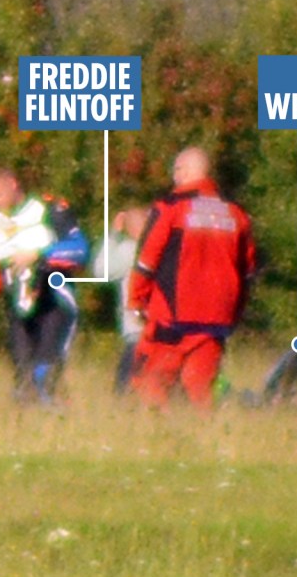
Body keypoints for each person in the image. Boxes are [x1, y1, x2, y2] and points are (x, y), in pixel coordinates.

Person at [127, 147, 255, 413]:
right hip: (217, 319)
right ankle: (205, 441)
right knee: (201, 386)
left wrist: (136, 300)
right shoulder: (236, 213)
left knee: (152, 380)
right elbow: (248, 271)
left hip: (172, 316)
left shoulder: (170, 208)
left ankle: (158, 437)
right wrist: (235, 313)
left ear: (183, 172)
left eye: (176, 170)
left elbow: (146, 260)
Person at [0, 166, 89, 405]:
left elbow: (81, 250)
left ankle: (58, 428)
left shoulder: (50, 209)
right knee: (22, 380)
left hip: (54, 301)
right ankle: (26, 435)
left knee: (45, 376)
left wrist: (39, 255)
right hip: (17, 308)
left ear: (13, 184)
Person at [92, 206, 147, 394]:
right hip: (168, 329)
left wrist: (113, 234)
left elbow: (101, 272)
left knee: (124, 389)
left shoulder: (129, 251)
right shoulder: (171, 249)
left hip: (137, 331)